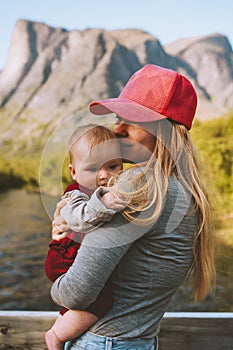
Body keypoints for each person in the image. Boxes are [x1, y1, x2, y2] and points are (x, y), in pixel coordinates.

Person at [50, 64, 216, 350]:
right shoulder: (187, 190)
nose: (117, 129)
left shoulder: (137, 185)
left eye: (133, 120)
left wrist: (56, 278)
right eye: (118, 117)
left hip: (102, 342)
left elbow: (75, 294)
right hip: (141, 340)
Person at [44, 125, 126, 350]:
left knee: (89, 298)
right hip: (63, 258)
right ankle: (56, 336)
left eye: (113, 166)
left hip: (77, 259)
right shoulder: (74, 194)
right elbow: (79, 216)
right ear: (74, 172)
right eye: (92, 168)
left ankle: (64, 322)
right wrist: (104, 203)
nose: (104, 175)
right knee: (101, 301)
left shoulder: (114, 188)